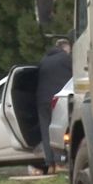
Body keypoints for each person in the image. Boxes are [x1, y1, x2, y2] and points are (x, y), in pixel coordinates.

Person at [33, 39, 71, 175]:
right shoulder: (66, 59)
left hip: (42, 100)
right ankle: (60, 162)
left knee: (46, 131)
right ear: (65, 48)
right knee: (59, 131)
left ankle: (50, 164)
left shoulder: (44, 60)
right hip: (58, 100)